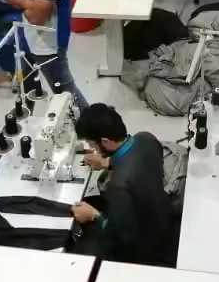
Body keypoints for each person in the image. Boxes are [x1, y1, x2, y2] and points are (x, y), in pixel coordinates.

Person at [71, 104, 174, 265]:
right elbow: (142, 162)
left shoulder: (119, 186)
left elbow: (123, 238)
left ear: (105, 141)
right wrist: (108, 163)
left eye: (92, 144)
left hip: (143, 248)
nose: (92, 149)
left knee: (78, 248)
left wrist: (94, 215)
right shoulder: (146, 138)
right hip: (160, 214)